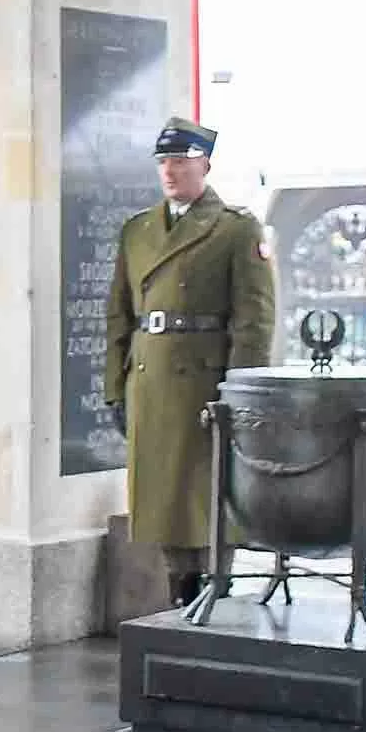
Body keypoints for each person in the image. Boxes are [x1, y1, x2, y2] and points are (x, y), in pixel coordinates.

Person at [102, 118, 277, 607]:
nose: (170, 171)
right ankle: (180, 590)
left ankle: (213, 587)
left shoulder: (235, 229)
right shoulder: (138, 230)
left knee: (206, 493)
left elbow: (254, 320)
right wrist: (114, 387)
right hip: (150, 380)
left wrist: (239, 392)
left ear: (204, 164)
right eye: (163, 162)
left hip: (203, 384)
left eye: (180, 160)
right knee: (161, 496)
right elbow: (119, 313)